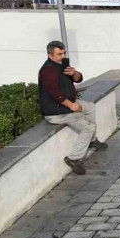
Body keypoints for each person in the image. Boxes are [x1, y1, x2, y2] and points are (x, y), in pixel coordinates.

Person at [38, 41, 107, 175]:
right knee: (88, 127)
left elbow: (78, 79)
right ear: (50, 55)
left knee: (90, 107)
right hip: (56, 111)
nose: (63, 56)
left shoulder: (62, 64)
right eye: (59, 54)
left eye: (64, 53)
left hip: (68, 103)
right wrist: (72, 105)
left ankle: (92, 140)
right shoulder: (47, 71)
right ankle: (74, 159)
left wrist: (74, 73)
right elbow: (55, 94)